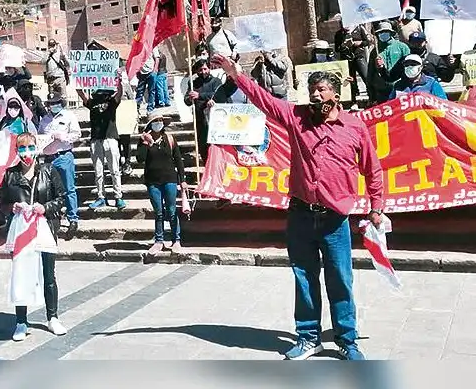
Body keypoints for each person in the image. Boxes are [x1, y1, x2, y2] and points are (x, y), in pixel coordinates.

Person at [211, 53, 383, 361]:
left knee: (340, 280)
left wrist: (376, 206)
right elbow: (264, 100)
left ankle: (347, 340)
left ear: (336, 94)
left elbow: (373, 169)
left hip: (335, 220)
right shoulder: (297, 117)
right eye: (312, 90)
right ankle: (308, 337)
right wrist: (237, 74)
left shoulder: (354, 127)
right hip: (302, 215)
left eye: (322, 90)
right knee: (303, 277)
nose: (316, 96)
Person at [0, 132, 68, 340]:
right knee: (22, 274)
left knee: (49, 274)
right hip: (22, 231)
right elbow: (1, 203)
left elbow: (62, 198)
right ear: (17, 151)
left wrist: (44, 207)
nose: (26, 152)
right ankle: (21, 321)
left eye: (30, 147)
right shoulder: (10, 174)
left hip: (45, 228)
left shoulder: (48, 170)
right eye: (22, 148)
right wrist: (12, 208)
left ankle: (53, 317)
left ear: (37, 148)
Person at [136, 112, 186, 255]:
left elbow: (178, 160)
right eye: (156, 120)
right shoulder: (144, 139)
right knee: (158, 212)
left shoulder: (169, 139)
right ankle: (159, 240)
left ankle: (176, 240)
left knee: (171, 210)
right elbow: (140, 158)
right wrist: (147, 143)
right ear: (150, 124)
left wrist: (182, 179)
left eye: (160, 120)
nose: (158, 123)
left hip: (169, 179)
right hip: (153, 181)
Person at [38, 95, 82, 240]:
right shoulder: (45, 120)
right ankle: (54, 217)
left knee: (69, 188)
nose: (53, 105)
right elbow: (40, 137)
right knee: (50, 190)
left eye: (56, 103)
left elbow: (77, 134)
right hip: (49, 158)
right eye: (51, 103)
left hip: (64, 155)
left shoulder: (69, 115)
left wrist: (65, 137)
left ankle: (73, 219)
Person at [78, 81, 126, 210]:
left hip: (110, 138)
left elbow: (119, 93)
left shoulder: (112, 102)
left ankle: (118, 196)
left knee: (114, 169)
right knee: (98, 171)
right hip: (96, 140)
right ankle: (101, 197)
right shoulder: (92, 103)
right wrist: (77, 78)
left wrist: (119, 82)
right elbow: (81, 93)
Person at [183, 59, 223, 163]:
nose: (203, 72)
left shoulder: (216, 81)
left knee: (215, 146)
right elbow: (187, 100)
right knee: (203, 145)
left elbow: (217, 95)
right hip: (200, 119)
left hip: (215, 120)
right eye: (200, 70)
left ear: (209, 69)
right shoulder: (193, 83)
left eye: (205, 69)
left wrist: (200, 95)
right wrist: (189, 98)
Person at [368, 21, 410, 105]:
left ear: (391, 33)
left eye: (385, 32)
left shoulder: (402, 47)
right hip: (381, 89)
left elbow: (409, 66)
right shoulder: (375, 51)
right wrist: (371, 95)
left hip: (400, 87)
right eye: (381, 32)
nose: (383, 34)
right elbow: (370, 73)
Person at [334, 19, 373, 105]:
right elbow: (337, 49)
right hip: (347, 58)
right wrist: (344, 45)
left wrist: (358, 43)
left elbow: (368, 41)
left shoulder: (359, 28)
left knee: (366, 76)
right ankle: (353, 99)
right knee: (350, 79)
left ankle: (372, 96)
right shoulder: (339, 34)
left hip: (359, 57)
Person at [148, 47, 171, 112]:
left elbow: (156, 65)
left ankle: (161, 102)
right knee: (165, 88)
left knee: (159, 88)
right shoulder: (163, 55)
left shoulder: (158, 57)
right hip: (165, 72)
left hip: (159, 73)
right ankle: (167, 101)